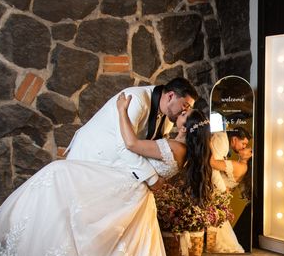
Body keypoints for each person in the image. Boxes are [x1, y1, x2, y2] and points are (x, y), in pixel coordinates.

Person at [0, 91, 212, 256]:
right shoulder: (178, 148)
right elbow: (157, 173)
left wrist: (122, 111)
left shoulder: (173, 146)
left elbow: (131, 144)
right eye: (184, 108)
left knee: (59, 175)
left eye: (185, 113)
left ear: (187, 128)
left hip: (127, 188)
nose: (180, 112)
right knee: (110, 242)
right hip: (135, 191)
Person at [67, 77, 198, 190]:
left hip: (118, 169)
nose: (184, 112)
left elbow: (154, 149)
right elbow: (125, 145)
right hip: (93, 158)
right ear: (170, 96)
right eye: (185, 106)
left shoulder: (169, 118)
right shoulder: (135, 100)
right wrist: (152, 179)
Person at [206, 129, 252, 253]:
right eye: (244, 144)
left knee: (217, 228)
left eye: (247, 148)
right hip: (219, 194)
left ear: (250, 155)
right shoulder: (241, 166)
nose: (245, 147)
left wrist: (208, 141)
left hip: (217, 194)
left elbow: (212, 162)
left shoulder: (238, 166)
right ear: (234, 139)